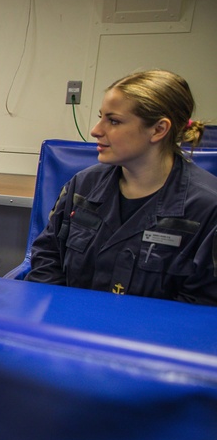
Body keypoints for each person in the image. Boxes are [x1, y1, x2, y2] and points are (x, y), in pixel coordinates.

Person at [27, 69, 217, 304]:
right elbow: (47, 257)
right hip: (71, 329)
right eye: (101, 117)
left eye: (113, 121)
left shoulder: (207, 208)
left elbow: (203, 307)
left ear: (158, 129)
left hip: (151, 339)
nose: (96, 130)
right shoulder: (83, 185)